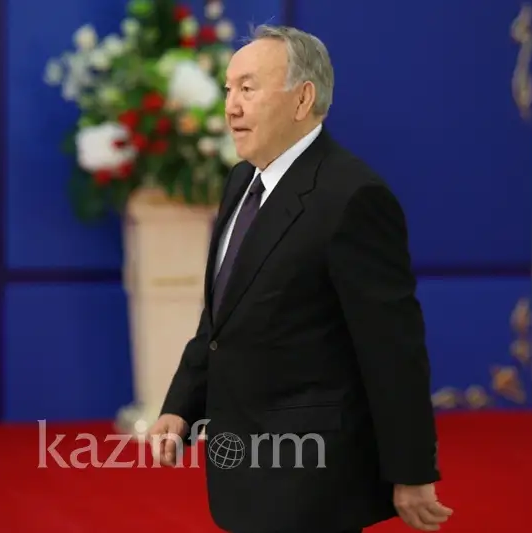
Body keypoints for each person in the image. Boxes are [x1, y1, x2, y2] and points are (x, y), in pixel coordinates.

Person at [148, 24, 453, 533]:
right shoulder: (241, 180)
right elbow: (222, 317)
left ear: (303, 98)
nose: (230, 107)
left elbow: (393, 350)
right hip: (242, 464)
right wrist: (182, 405)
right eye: (228, 89)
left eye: (248, 88)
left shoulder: (352, 197)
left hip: (313, 479)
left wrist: (412, 470)